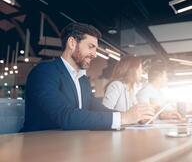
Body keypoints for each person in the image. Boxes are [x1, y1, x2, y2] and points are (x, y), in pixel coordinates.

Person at [22, 22, 154, 132]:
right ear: (72, 43)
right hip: (38, 148)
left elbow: (96, 107)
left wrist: (133, 117)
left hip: (70, 145)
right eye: (91, 47)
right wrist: (123, 118)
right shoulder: (44, 72)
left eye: (95, 49)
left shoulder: (82, 80)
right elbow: (65, 116)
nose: (95, 54)